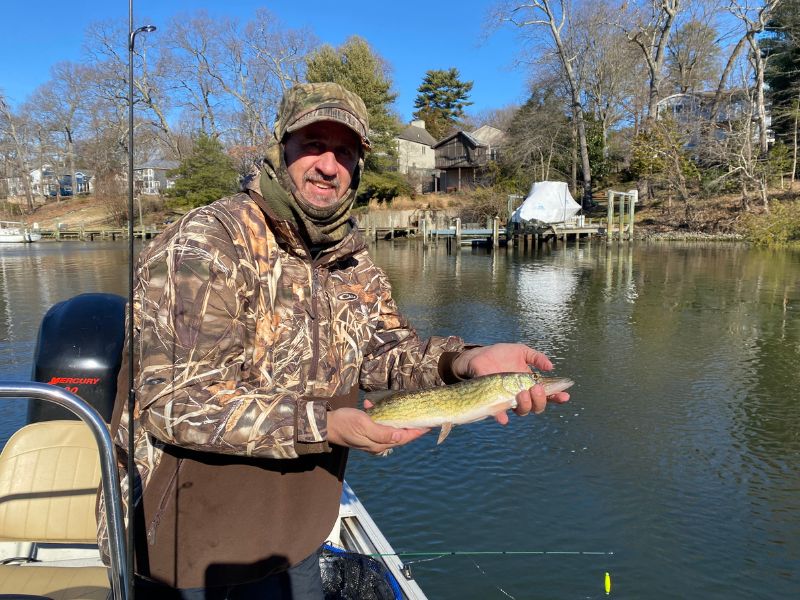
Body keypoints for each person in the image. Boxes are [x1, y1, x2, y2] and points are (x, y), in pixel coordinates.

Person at [98, 82, 569, 599]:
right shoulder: (205, 243)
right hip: (187, 545)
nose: (328, 165)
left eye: (344, 151)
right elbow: (176, 402)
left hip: (297, 531)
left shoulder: (350, 258)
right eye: (313, 145)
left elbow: (387, 352)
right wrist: (323, 424)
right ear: (281, 150)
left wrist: (467, 362)